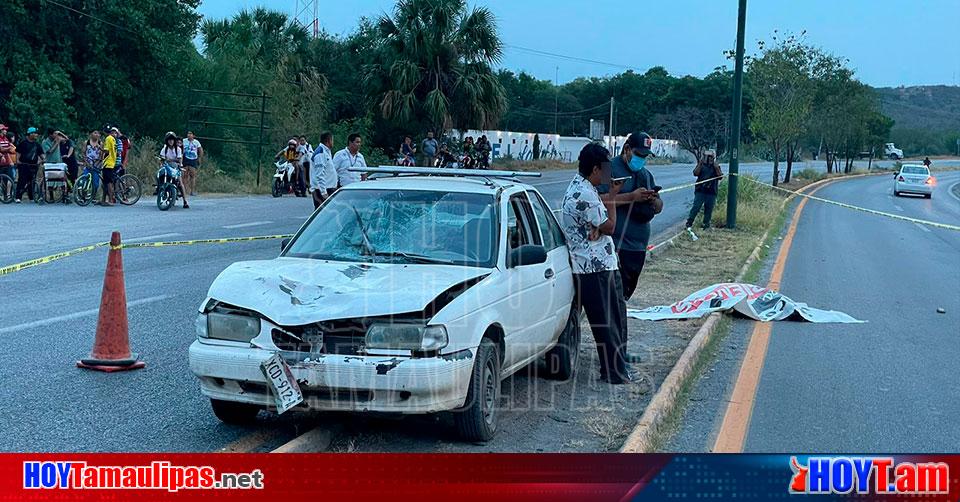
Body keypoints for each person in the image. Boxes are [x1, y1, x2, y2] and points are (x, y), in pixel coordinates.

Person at [560, 143, 632, 384]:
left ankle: (619, 367)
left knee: (616, 318)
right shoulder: (585, 194)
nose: (608, 174)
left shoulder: (584, 188)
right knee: (606, 323)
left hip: (602, 264)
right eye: (605, 169)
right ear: (594, 170)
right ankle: (614, 373)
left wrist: (600, 224)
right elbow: (610, 226)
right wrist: (611, 200)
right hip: (593, 268)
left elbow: (599, 226)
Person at [599, 131, 662, 302]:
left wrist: (653, 200)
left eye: (645, 156)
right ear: (627, 149)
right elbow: (597, 201)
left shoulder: (646, 174)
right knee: (613, 298)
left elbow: (659, 207)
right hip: (616, 246)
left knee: (624, 295)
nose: (641, 160)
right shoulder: (607, 168)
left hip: (638, 247)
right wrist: (631, 197)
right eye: (639, 155)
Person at [686, 151, 723, 229]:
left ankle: (706, 225)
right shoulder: (702, 165)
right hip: (701, 190)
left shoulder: (716, 166)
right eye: (707, 157)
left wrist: (716, 167)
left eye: (711, 157)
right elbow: (695, 173)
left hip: (711, 191)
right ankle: (689, 223)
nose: (709, 159)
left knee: (709, 209)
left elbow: (720, 177)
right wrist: (700, 163)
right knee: (696, 207)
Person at [15, 127, 45, 203]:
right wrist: (17, 160)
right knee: (22, 181)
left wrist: (42, 160)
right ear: (30, 134)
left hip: (33, 165)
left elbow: (41, 154)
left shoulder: (37, 144)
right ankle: (18, 197)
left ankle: (31, 197)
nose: (36, 135)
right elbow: (18, 152)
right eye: (35, 133)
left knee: (32, 181)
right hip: (23, 164)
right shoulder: (23, 143)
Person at [160, 132, 189, 209]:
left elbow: (179, 160)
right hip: (166, 166)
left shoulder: (178, 149)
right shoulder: (164, 149)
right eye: (169, 140)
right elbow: (162, 159)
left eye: (172, 140)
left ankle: (185, 201)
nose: (171, 141)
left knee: (180, 182)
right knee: (158, 174)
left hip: (175, 167)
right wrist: (164, 161)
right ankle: (159, 188)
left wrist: (170, 160)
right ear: (167, 141)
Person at [310, 131, 337, 209]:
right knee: (322, 215)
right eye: (332, 140)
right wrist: (324, 192)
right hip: (322, 190)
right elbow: (319, 174)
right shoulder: (320, 153)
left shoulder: (326, 151)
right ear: (328, 141)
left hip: (328, 188)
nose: (333, 142)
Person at [100, 127, 120, 205]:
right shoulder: (113, 139)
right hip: (111, 162)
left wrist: (100, 148)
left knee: (109, 182)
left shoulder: (108, 138)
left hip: (108, 163)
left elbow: (107, 151)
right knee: (106, 182)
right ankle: (104, 200)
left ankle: (111, 200)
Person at [182, 131, 203, 196]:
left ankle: (192, 191)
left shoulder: (196, 142)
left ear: (193, 135)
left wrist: (199, 158)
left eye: (190, 134)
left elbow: (200, 150)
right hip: (185, 158)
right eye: (188, 133)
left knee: (192, 175)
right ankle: (184, 190)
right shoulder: (184, 141)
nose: (189, 135)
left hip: (193, 159)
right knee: (185, 175)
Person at [0, 125, 15, 200]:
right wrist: (9, 148)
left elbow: (11, 149)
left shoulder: (5, 139)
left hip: (7, 161)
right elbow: (2, 149)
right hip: (1, 161)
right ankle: (2, 195)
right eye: (4, 130)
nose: (5, 131)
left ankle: (7, 195)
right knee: (1, 179)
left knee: (10, 178)